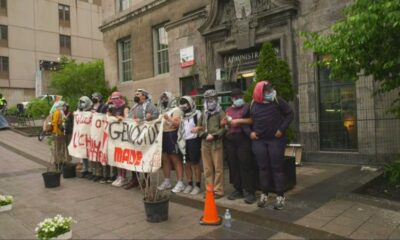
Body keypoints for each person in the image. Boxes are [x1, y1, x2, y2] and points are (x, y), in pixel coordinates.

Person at [231, 81, 293, 210]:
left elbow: (289, 114)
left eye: (270, 90)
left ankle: (280, 196)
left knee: (277, 168)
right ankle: (264, 195)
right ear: (259, 92)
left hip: (275, 141)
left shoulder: (277, 100)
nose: (270, 93)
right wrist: (250, 133)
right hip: (259, 141)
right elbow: (244, 121)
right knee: (263, 168)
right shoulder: (252, 104)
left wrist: (281, 129)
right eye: (267, 91)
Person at [221, 88, 258, 204]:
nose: (238, 100)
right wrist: (224, 122)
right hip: (230, 140)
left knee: (245, 164)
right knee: (233, 164)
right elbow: (222, 123)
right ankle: (238, 189)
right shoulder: (228, 109)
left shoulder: (247, 107)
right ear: (232, 99)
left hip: (243, 139)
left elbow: (252, 120)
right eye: (235, 98)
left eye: (240, 97)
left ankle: (250, 191)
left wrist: (239, 121)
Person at [125, 88, 159, 190]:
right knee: (134, 157)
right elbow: (129, 118)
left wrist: (150, 117)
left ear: (144, 96)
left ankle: (146, 180)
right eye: (135, 94)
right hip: (134, 136)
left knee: (144, 156)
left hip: (145, 137)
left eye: (138, 94)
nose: (136, 95)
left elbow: (157, 115)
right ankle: (135, 179)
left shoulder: (150, 106)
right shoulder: (134, 107)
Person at [198, 89, 226, 199]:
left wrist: (214, 135)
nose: (211, 101)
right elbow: (199, 127)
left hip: (217, 143)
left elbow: (224, 128)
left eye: (213, 98)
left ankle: (218, 191)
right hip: (205, 144)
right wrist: (204, 135)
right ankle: (209, 189)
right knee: (207, 168)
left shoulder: (220, 112)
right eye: (208, 98)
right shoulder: (203, 113)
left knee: (218, 168)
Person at [157, 92, 185, 193]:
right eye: (162, 98)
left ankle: (180, 182)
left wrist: (168, 119)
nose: (164, 100)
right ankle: (167, 181)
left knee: (175, 159)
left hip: (172, 135)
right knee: (165, 159)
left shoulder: (176, 110)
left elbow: (177, 124)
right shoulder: (161, 110)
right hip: (163, 135)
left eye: (166, 98)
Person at [179, 96, 203, 195]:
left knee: (195, 164)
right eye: (182, 104)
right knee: (186, 164)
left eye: (186, 103)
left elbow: (203, 126)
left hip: (194, 141)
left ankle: (197, 185)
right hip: (184, 142)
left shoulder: (197, 113)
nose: (184, 106)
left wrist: (198, 128)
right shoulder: (182, 115)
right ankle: (189, 183)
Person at [108, 91, 130, 187]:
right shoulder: (113, 108)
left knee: (122, 156)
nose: (115, 100)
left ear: (121, 98)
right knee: (116, 156)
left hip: (122, 136)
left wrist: (122, 118)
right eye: (113, 98)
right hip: (115, 137)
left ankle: (123, 176)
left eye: (117, 98)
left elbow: (128, 119)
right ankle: (118, 175)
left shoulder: (125, 107)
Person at [88, 92, 109, 183]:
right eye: (93, 97)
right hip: (93, 134)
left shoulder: (103, 106)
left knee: (101, 154)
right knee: (94, 154)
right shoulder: (91, 106)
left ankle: (104, 174)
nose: (94, 98)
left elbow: (103, 116)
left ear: (99, 98)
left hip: (100, 133)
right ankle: (96, 173)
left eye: (95, 97)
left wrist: (96, 113)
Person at [77, 96, 93, 178]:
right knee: (83, 154)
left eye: (83, 102)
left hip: (89, 135)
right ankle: (85, 169)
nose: (81, 104)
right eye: (81, 102)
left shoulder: (91, 111)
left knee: (89, 154)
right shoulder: (80, 111)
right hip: (82, 135)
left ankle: (90, 170)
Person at [51, 100, 67, 169]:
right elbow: (54, 123)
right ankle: (58, 163)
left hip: (60, 133)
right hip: (58, 134)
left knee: (61, 148)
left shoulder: (60, 112)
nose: (64, 107)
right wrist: (57, 132)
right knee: (58, 149)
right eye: (63, 105)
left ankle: (60, 162)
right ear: (60, 106)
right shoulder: (57, 112)